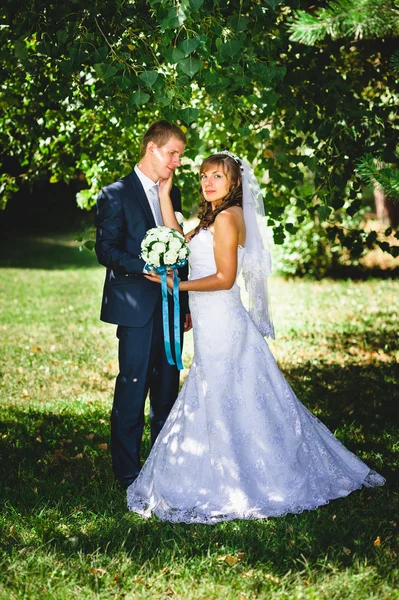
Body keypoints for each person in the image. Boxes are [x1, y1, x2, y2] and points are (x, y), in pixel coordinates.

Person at [126, 152, 385, 523]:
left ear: (234, 183)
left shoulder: (230, 219)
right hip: (208, 319)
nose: (208, 182)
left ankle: (244, 476)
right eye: (203, 176)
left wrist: (175, 284)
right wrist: (165, 195)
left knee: (224, 394)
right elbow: (176, 242)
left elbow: (224, 279)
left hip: (224, 322)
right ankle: (214, 467)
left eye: (217, 176)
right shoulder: (210, 218)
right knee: (217, 393)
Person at [95, 120, 191, 490]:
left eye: (179, 156)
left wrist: (183, 305)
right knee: (133, 388)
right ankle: (127, 473)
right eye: (173, 154)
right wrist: (145, 266)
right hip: (135, 308)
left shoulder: (174, 194)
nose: (177, 162)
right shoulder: (114, 194)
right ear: (152, 148)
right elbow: (107, 250)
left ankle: (163, 467)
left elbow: (179, 254)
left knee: (167, 389)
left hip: (169, 310)